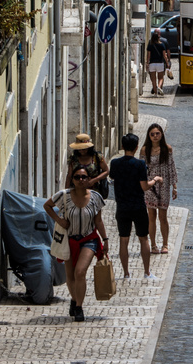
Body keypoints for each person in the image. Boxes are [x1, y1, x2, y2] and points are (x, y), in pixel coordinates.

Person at [44, 168, 108, 321]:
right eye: (77, 177)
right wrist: (58, 220)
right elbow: (47, 206)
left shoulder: (95, 197)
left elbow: (98, 221)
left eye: (84, 177)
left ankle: (79, 307)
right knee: (70, 276)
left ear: (88, 179)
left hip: (89, 239)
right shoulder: (64, 196)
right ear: (72, 180)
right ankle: (74, 299)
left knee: (80, 272)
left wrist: (105, 240)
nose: (81, 180)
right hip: (69, 240)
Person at [108, 133, 164, 283]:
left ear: (122, 146)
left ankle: (126, 273)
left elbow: (112, 177)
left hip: (122, 206)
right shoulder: (139, 164)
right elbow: (144, 186)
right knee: (143, 239)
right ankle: (147, 272)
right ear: (137, 147)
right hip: (138, 206)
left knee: (123, 240)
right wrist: (155, 180)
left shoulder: (115, 163)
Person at [141, 124, 178, 255]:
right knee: (151, 216)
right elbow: (142, 169)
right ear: (148, 136)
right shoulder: (144, 150)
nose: (155, 136)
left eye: (157, 133)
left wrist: (174, 186)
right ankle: (153, 245)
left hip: (164, 185)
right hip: (150, 185)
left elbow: (171, 167)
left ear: (161, 134)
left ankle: (165, 244)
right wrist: (143, 185)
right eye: (152, 134)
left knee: (163, 216)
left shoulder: (167, 149)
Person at [146, 29, 170, 95]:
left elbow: (148, 56)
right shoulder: (162, 45)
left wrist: (147, 63)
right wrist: (167, 63)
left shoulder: (150, 45)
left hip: (152, 64)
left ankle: (156, 93)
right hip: (160, 63)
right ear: (158, 37)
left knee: (153, 80)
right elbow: (164, 55)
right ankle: (159, 87)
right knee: (161, 78)